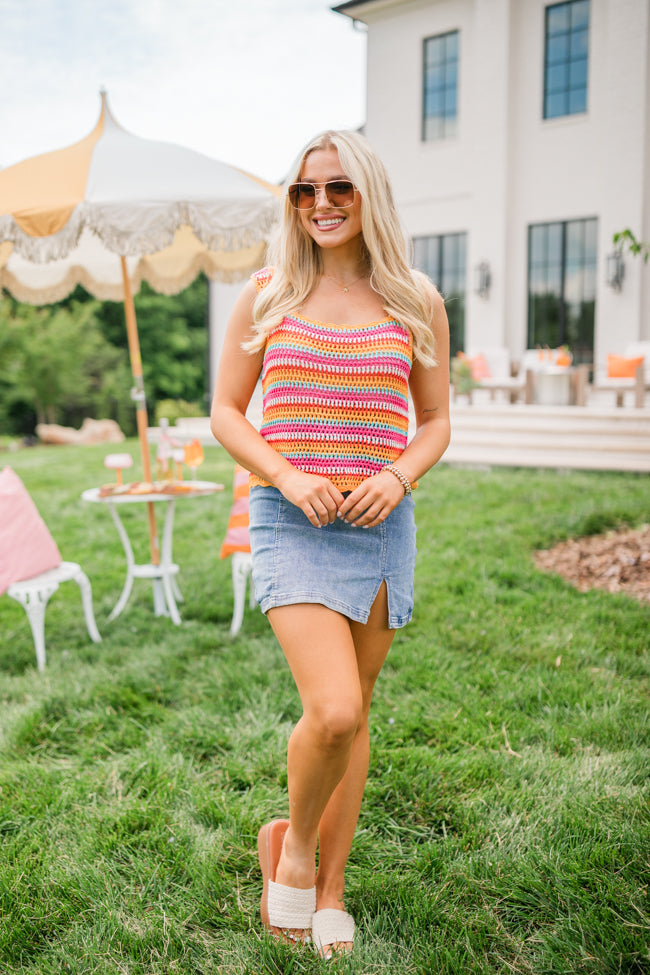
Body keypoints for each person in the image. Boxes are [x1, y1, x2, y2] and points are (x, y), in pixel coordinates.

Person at [210, 129, 450, 958]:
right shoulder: (268, 293)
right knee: (334, 707)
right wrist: (284, 473)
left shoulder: (414, 297)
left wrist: (400, 476)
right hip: (292, 519)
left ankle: (335, 887)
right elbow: (227, 413)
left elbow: (437, 420)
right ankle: (297, 849)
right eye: (305, 190)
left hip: (381, 525)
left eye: (339, 187)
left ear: (368, 194)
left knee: (359, 715)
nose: (320, 203)